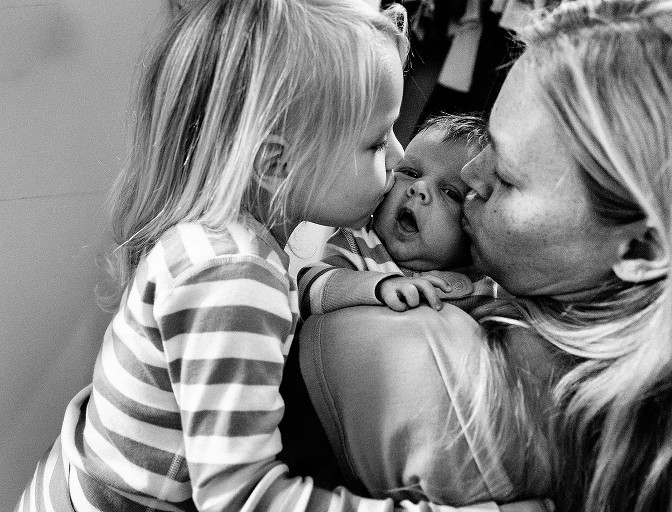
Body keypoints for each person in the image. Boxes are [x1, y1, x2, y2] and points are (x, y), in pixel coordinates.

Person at [292, 0, 672, 511]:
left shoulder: (441, 376)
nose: (472, 174)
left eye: (510, 177)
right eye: (489, 139)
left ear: (642, 248)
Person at [13, 0, 411, 510]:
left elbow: (289, 288)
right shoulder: (234, 276)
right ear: (276, 163)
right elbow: (243, 498)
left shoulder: (224, 241)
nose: (400, 160)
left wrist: (365, 288)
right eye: (377, 143)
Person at [298, 114, 495, 317]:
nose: (419, 187)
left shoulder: (484, 287)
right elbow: (308, 290)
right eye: (411, 173)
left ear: (471, 226)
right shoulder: (359, 243)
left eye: (450, 192)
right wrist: (378, 286)